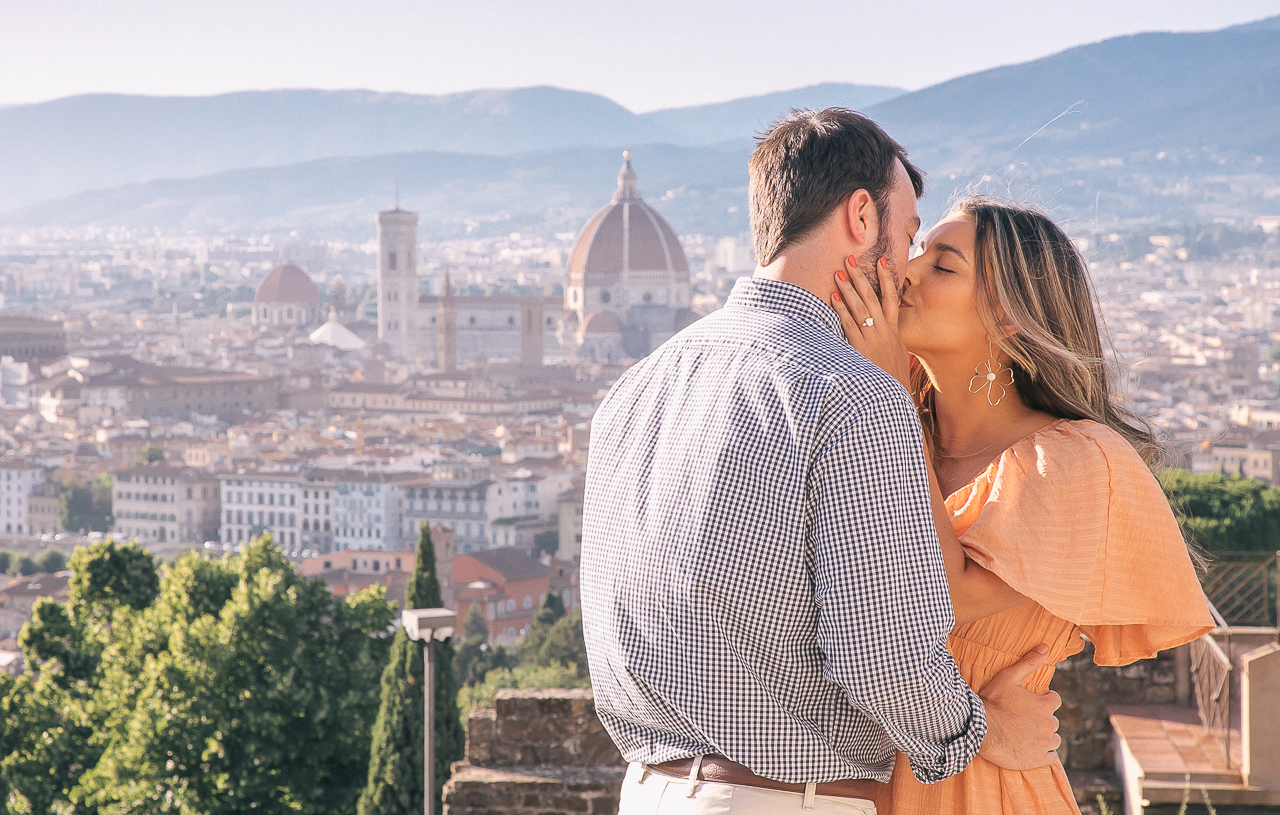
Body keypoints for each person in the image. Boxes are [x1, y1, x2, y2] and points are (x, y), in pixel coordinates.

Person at [580, 108, 1060, 815]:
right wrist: (982, 730)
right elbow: (881, 657)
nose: (905, 271)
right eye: (906, 235)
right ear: (861, 218)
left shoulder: (634, 391)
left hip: (648, 793)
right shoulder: (854, 396)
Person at [828, 195, 1215, 814]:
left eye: (943, 266)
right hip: (849, 786)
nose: (907, 271)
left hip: (979, 790)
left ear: (1009, 317)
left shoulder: (1076, 463)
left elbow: (935, 599)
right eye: (920, 251)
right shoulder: (884, 432)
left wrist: (891, 400)